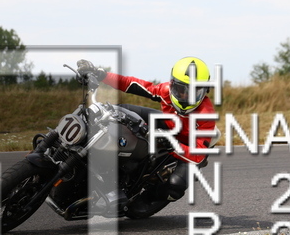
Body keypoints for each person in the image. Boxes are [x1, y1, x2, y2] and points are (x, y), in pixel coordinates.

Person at [77, 57, 217, 201]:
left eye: (194, 91)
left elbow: (199, 155)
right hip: (169, 124)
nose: (185, 96)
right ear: (172, 84)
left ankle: (142, 201)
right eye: (181, 89)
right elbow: (132, 84)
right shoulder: (165, 91)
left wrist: (173, 145)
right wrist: (101, 74)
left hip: (187, 146)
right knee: (121, 111)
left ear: (205, 90)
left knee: (175, 187)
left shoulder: (206, 115)